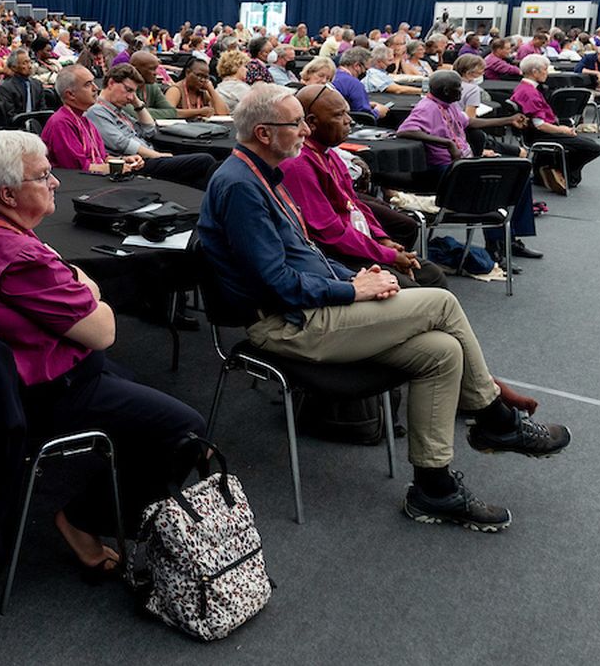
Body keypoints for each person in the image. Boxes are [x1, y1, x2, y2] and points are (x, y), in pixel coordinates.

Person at [198, 84, 570, 531]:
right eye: (295, 123)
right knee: (442, 302)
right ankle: (495, 419)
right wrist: (352, 291)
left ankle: (433, 490)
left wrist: (355, 277)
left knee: (441, 352)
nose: (303, 130)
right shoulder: (241, 187)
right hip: (285, 325)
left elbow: (307, 256)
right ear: (263, 133)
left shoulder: (265, 176)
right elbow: (276, 283)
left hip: (311, 311)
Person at [0, 129, 206, 574]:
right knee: (185, 431)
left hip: (3, 383)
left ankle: (117, 481)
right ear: (7, 193)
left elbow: (68, 276)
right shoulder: (19, 256)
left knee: (142, 398)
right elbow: (103, 331)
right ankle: (81, 519)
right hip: (47, 392)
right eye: (43, 176)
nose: (56, 181)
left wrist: (78, 282)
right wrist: (87, 287)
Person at [281, 85, 445, 287]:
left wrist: (382, 239)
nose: (348, 121)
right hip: (335, 256)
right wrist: (387, 255)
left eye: (347, 113)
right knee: (413, 291)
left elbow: (354, 204)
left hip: (357, 242)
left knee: (432, 276)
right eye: (339, 115)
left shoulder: (329, 154)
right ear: (312, 123)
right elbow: (330, 234)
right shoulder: (297, 165)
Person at [395, 70, 543, 261]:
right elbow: (405, 131)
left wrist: (508, 120)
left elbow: (469, 122)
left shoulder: (449, 104)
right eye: (458, 89)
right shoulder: (426, 108)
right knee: (492, 186)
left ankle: (510, 239)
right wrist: (446, 143)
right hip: (445, 171)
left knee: (519, 178)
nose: (460, 92)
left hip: (466, 163)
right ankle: (495, 245)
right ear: (447, 90)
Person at [82, 64, 215, 187]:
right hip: (136, 163)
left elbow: (149, 130)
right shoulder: (97, 111)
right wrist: (157, 155)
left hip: (148, 156)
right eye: (128, 90)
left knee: (202, 175)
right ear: (111, 83)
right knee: (205, 161)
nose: (130, 97)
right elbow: (122, 143)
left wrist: (138, 104)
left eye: (133, 92)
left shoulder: (118, 110)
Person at [510, 55, 600, 189]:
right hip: (540, 133)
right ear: (534, 72)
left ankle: (552, 170)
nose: (547, 73)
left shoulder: (524, 88)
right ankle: (562, 173)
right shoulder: (530, 93)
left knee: (588, 144)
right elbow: (540, 125)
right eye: (545, 69)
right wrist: (562, 130)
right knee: (594, 148)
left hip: (535, 131)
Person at [333, 47, 387, 119]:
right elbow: (364, 117)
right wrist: (378, 112)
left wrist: (366, 103)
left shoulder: (331, 76)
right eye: (366, 69)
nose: (366, 72)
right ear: (357, 66)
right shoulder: (354, 84)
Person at [0, 48, 49, 117]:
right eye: (24, 63)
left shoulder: (37, 84)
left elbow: (42, 110)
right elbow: (10, 115)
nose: (29, 66)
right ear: (14, 67)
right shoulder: (6, 88)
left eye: (29, 62)